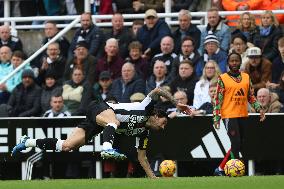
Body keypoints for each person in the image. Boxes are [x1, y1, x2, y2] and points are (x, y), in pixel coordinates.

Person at [12, 87, 191, 178]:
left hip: (98, 122)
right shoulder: (146, 107)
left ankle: (28, 141)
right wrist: (177, 103)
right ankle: (107, 148)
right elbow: (158, 90)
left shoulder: (144, 133)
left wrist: (153, 178)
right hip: (100, 107)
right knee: (113, 121)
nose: (163, 126)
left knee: (67, 146)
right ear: (157, 115)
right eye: (164, 122)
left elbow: (142, 158)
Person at [212, 52, 265, 176]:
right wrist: (216, 117)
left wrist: (259, 109)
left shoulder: (246, 77)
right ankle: (234, 171)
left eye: (236, 61)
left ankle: (220, 168)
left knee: (238, 144)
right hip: (229, 115)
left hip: (242, 114)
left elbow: (250, 97)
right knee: (235, 143)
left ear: (240, 62)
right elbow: (218, 99)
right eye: (232, 61)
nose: (234, 63)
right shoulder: (222, 78)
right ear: (228, 63)